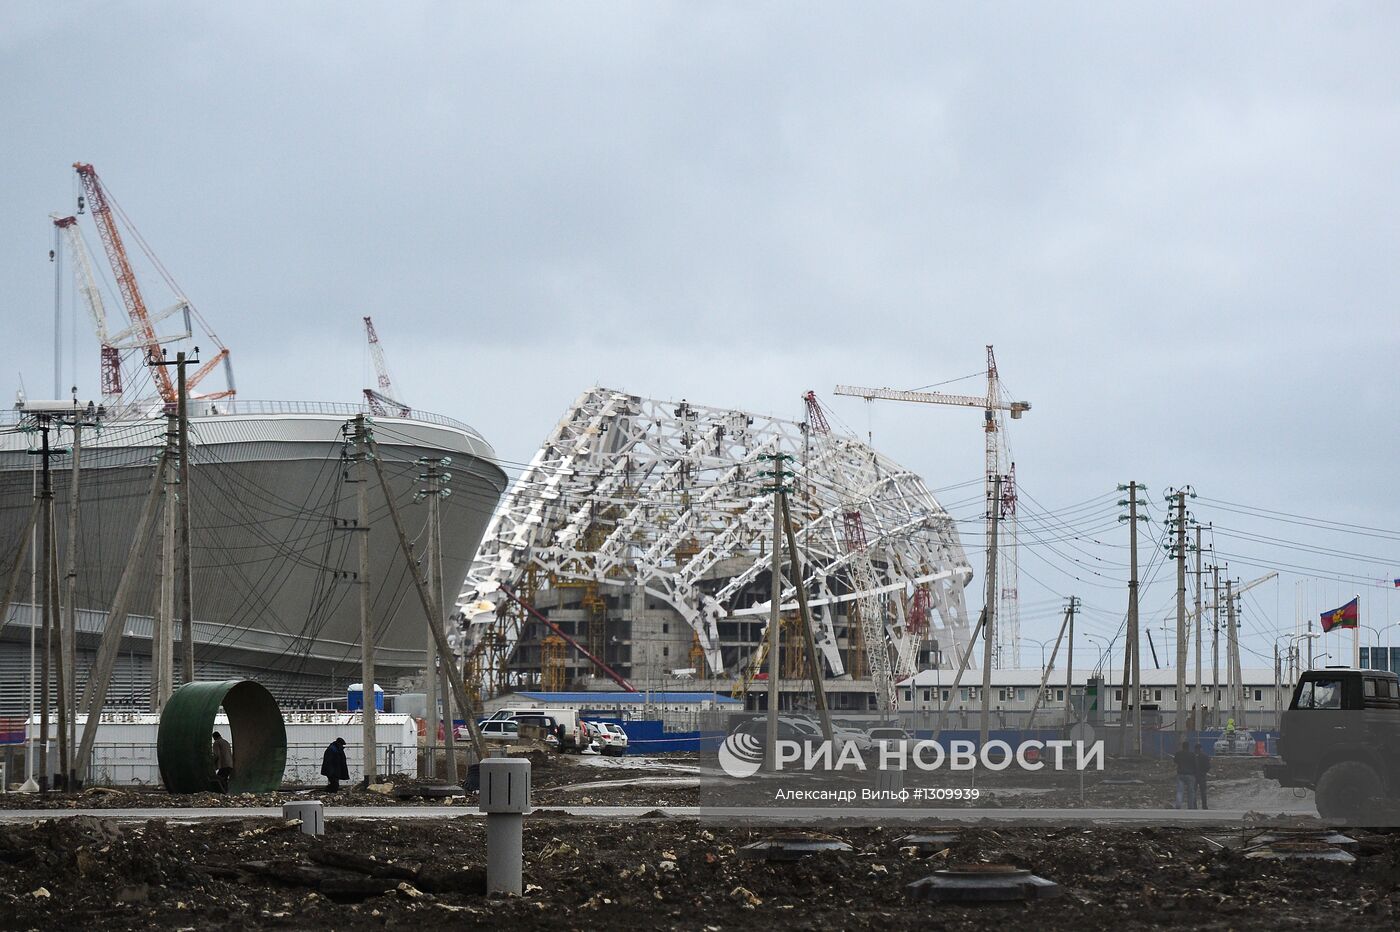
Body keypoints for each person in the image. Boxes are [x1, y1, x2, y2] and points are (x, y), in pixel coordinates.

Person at [1173, 740, 1197, 810]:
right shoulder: (1192, 754)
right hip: (1190, 775)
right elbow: (1195, 764)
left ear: (1182, 747)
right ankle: (1190, 806)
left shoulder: (1178, 754)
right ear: (1188, 747)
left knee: (1179, 791)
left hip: (1180, 774)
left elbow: (1175, 761)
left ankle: (1178, 804)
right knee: (1191, 792)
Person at [1194, 741, 1211, 810]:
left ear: (1195, 749)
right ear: (1201, 748)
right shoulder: (1205, 756)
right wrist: (1204, 771)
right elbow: (1208, 766)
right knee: (1203, 791)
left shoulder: (1192, 756)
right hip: (1202, 776)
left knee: (1193, 791)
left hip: (1194, 775)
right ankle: (1204, 806)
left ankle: (1194, 806)